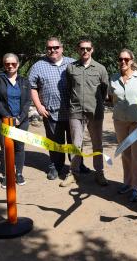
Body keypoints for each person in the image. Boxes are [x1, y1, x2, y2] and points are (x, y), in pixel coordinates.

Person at [29, 37, 91, 180]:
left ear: (62, 48)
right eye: (50, 48)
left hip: (73, 112)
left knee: (75, 140)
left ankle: (78, 164)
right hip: (51, 113)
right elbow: (33, 87)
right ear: (46, 49)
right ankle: (55, 166)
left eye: (56, 47)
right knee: (55, 142)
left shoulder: (73, 63)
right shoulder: (38, 66)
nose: (53, 50)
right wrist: (38, 106)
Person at [60, 38, 109, 187]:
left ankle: (99, 172)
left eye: (88, 48)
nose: (85, 51)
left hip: (95, 112)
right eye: (82, 48)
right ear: (78, 50)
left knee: (97, 144)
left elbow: (104, 90)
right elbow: (69, 88)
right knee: (75, 144)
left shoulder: (100, 69)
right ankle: (73, 173)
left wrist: (96, 104)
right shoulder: (71, 68)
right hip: (76, 111)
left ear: (92, 50)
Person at [109, 49, 137, 202]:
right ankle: (127, 183)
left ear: (132, 61)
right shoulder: (113, 79)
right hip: (120, 121)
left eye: (126, 59)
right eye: (120, 59)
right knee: (125, 154)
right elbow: (111, 98)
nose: (123, 62)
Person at [0, 53, 31, 188]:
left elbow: (27, 102)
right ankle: (6, 175)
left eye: (13, 63)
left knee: (19, 147)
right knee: (5, 148)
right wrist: (8, 117)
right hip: (2, 120)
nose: (10, 66)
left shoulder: (24, 81)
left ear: (18, 64)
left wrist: (20, 118)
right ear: (4, 65)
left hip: (22, 121)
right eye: (7, 64)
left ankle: (18, 173)